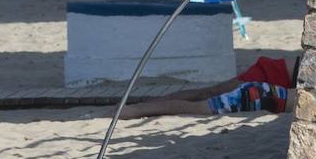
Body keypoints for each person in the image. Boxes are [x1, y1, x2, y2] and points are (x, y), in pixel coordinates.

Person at [123, 56, 292, 118]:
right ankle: (134, 110)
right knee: (200, 102)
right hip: (266, 87)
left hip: (269, 88)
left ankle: (137, 108)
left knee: (205, 95)